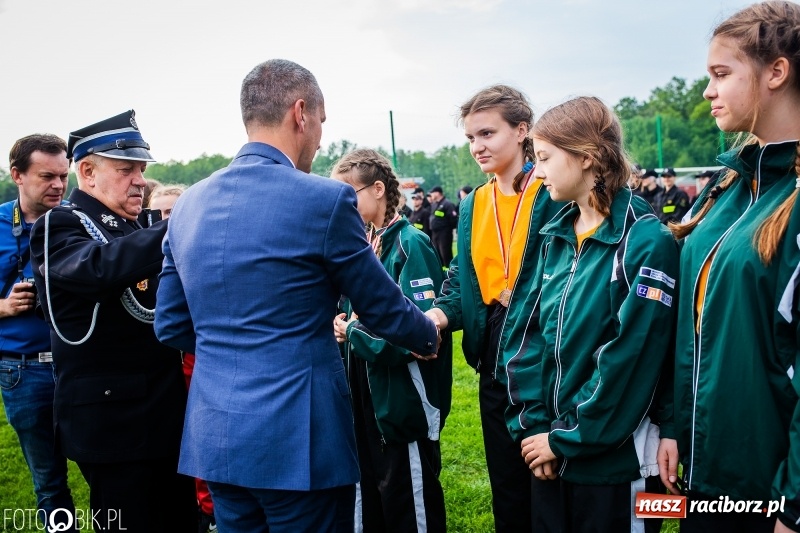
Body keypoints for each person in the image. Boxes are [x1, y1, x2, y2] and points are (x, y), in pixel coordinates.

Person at [154, 59, 439, 533]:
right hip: (298, 436)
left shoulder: (188, 204)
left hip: (217, 431)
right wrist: (427, 335)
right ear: (301, 113)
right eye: (322, 123)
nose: (322, 139)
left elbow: (170, 325)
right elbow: (380, 305)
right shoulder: (324, 199)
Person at [505, 96, 678, 533]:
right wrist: (535, 430)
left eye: (544, 158)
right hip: (548, 452)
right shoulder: (553, 236)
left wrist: (565, 440)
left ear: (587, 158)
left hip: (614, 465)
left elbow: (630, 360)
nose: (536, 171)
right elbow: (525, 338)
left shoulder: (645, 241)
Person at [661, 2, 800, 531]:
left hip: (769, 491)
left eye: (721, 74)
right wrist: (675, 424)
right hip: (705, 477)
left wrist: (794, 502)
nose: (707, 90)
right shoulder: (730, 188)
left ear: (776, 72)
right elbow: (693, 325)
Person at [29, 110, 196, 533]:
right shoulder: (61, 224)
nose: (140, 179)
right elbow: (97, 269)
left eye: (141, 170)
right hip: (113, 427)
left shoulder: (133, 227)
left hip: (162, 415)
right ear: (86, 172)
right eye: (126, 170)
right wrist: (179, 224)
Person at [425, 84, 562, 532]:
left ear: (523, 130)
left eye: (487, 133)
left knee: (548, 482)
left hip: (543, 351)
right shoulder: (473, 203)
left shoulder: (552, 192)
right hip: (491, 354)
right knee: (505, 481)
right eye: (470, 138)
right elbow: (461, 279)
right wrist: (440, 315)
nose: (476, 147)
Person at [330, 149, 452, 533]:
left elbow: (419, 335)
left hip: (402, 403)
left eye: (348, 194)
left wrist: (351, 332)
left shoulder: (410, 245)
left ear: (378, 189)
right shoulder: (363, 243)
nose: (341, 205)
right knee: (374, 501)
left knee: (408, 505)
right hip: (364, 396)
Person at [0, 134, 75, 529]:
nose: (59, 186)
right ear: (17, 175)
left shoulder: (76, 221)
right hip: (23, 371)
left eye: (64, 176)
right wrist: (5, 306)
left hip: (78, 365)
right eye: (47, 176)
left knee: (105, 467)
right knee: (49, 482)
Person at [427, 186, 458, 270]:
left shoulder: (447, 204)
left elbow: (453, 219)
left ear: (437, 193)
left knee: (445, 253)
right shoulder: (434, 204)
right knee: (437, 254)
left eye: (432, 193)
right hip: (435, 233)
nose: (431, 195)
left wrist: (447, 229)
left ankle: (451, 272)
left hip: (444, 233)